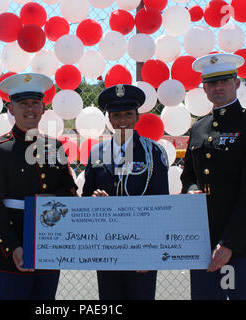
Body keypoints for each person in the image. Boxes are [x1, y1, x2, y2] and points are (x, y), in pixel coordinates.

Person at [180, 53, 246, 300]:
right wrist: (190, 189)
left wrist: (229, 243)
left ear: (237, 83)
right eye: (212, 82)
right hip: (203, 239)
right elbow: (189, 174)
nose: (218, 87)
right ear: (204, 87)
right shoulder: (199, 127)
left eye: (224, 80)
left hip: (241, 241)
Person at [0, 73, 77, 300]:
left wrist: (52, 196)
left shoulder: (54, 147)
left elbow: (70, 191)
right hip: (12, 250)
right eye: (23, 104)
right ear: (11, 109)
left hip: (49, 245)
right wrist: (12, 248)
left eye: (35, 103)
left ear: (43, 108)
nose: (29, 109)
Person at [82, 84, 169, 300]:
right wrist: (95, 201)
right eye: (116, 115)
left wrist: (150, 251)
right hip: (107, 247)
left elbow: (161, 204)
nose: (122, 121)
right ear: (108, 119)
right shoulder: (97, 153)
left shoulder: (153, 152)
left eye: (128, 114)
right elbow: (85, 200)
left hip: (142, 247)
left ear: (137, 116)